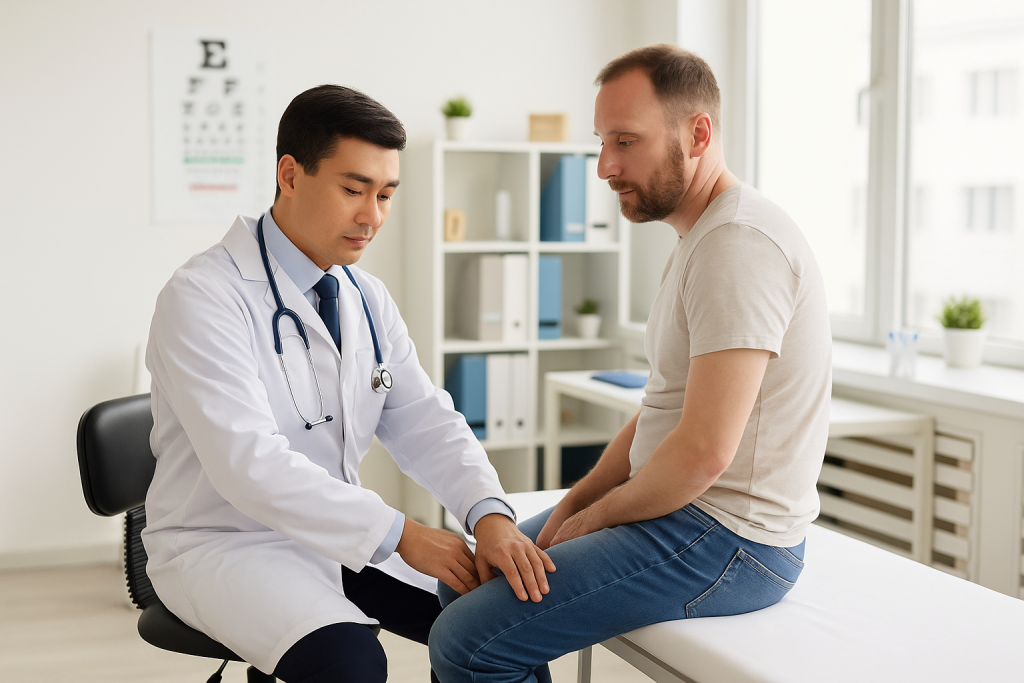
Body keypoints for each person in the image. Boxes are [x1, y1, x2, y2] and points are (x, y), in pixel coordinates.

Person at [429, 44, 832, 683]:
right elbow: (661, 410)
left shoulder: (738, 244)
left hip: (732, 539)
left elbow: (704, 452)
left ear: (698, 134)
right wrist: (575, 502)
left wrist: (592, 520)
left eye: (626, 141)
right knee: (468, 577)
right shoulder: (700, 237)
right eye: (602, 141)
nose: (604, 167)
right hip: (685, 510)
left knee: (466, 642)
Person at [142, 85, 554, 683]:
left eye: (385, 195)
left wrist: (487, 513)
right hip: (225, 543)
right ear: (289, 175)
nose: (373, 217)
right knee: (350, 663)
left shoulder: (365, 297)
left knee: (498, 625)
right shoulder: (204, 296)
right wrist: (403, 534)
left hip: (335, 533)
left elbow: (425, 420)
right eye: (354, 190)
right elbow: (248, 464)